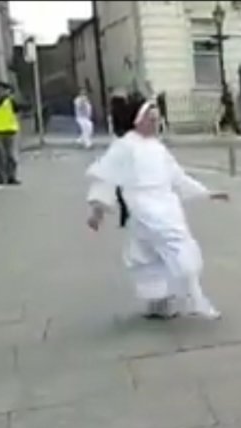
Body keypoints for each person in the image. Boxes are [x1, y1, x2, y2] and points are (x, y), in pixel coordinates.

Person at [85, 94, 231, 320]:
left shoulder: (157, 147)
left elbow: (178, 177)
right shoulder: (125, 146)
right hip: (144, 207)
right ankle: (195, 298)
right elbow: (106, 178)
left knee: (147, 255)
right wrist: (97, 211)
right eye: (151, 118)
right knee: (178, 246)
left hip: (165, 203)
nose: (156, 122)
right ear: (137, 120)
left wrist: (207, 193)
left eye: (157, 118)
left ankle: (159, 303)